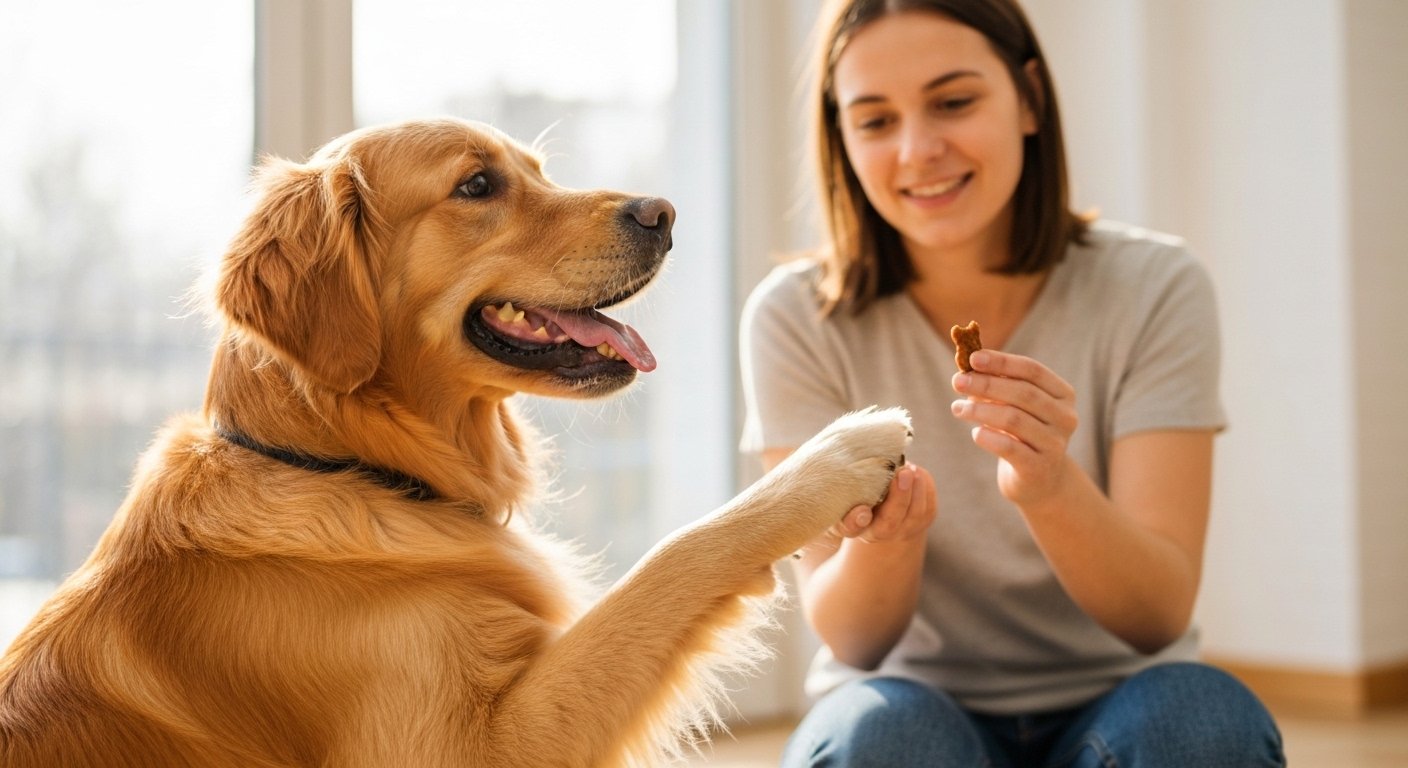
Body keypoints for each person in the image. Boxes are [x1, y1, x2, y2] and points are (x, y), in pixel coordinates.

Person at [737, 0, 1286, 765]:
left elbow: (1158, 615)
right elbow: (852, 641)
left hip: (1121, 703)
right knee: (872, 741)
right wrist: (889, 544)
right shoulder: (796, 318)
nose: (918, 150)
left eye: (953, 102)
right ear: (842, 138)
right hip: (909, 708)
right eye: (875, 120)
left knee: (1205, 721)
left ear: (1028, 98)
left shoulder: (1156, 286)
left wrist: (1050, 486)